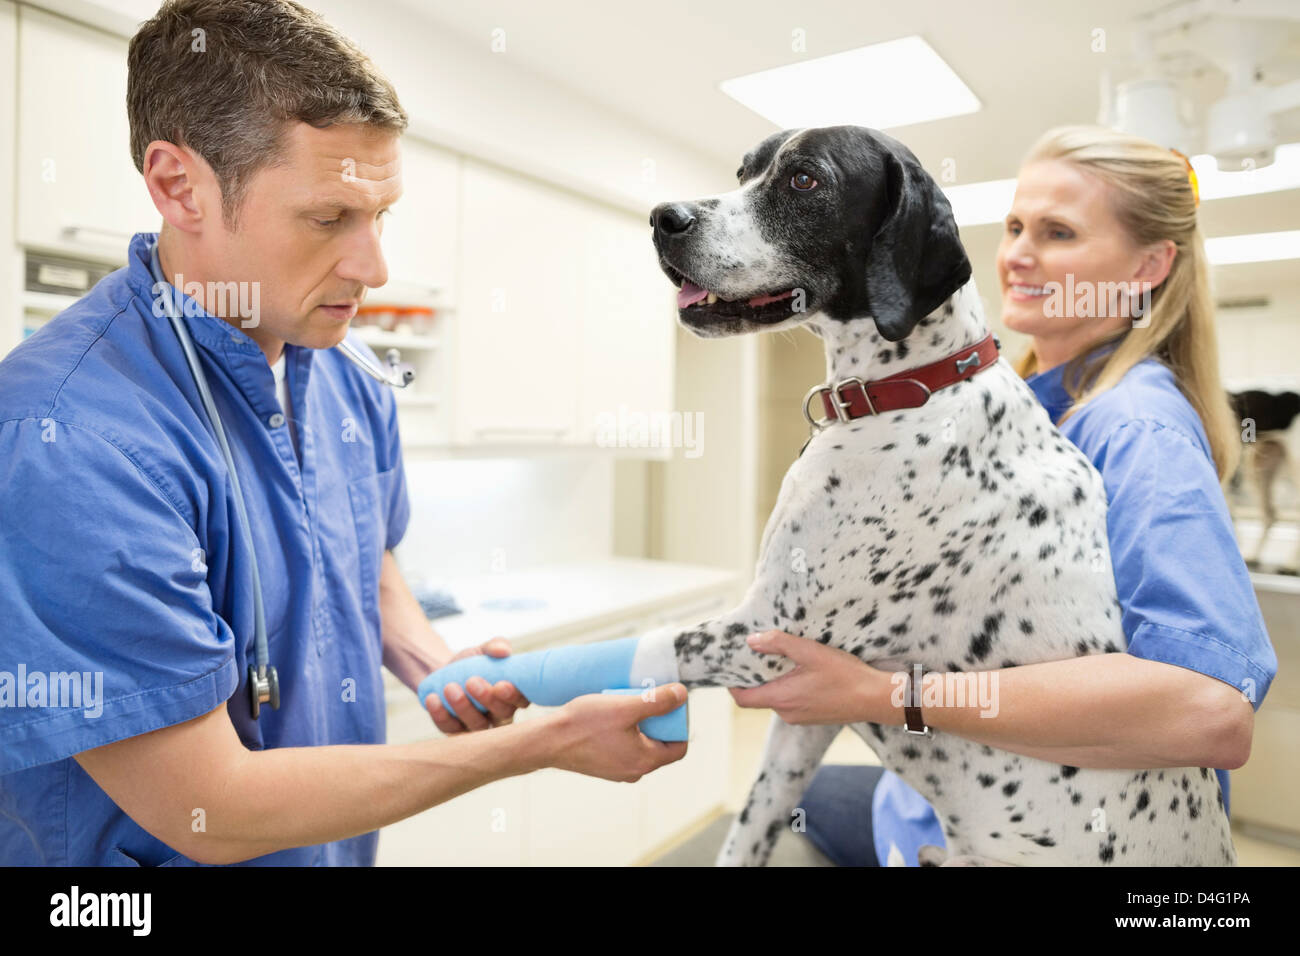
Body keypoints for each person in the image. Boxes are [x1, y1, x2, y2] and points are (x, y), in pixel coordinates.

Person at [0, 0, 685, 867]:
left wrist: (435, 667)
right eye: (329, 220)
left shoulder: (343, 367)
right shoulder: (67, 438)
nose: (374, 268)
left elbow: (366, 562)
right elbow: (209, 806)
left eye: (381, 216)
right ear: (180, 186)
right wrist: (531, 747)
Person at [729, 125, 1278, 866]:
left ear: (1147, 266)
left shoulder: (1135, 427)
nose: (1018, 253)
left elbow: (1210, 713)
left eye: (1058, 233)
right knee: (803, 802)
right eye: (1016, 225)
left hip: (1043, 833)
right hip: (941, 793)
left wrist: (878, 695)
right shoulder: (1011, 405)